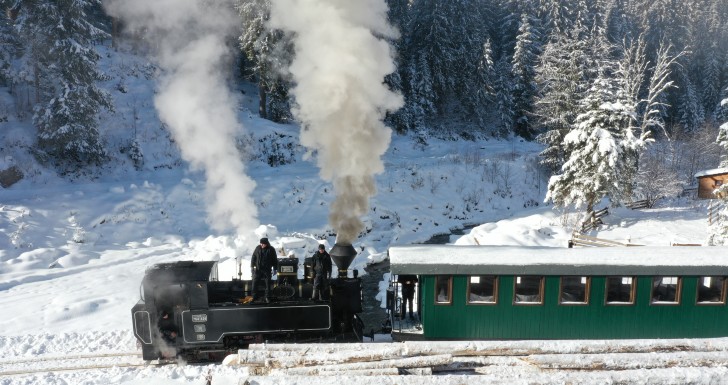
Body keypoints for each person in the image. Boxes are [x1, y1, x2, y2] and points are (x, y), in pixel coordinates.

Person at [251, 237, 278, 303]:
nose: (261, 245)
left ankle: (267, 297)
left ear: (266, 244)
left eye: (263, 244)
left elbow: (275, 260)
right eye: (261, 243)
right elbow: (253, 257)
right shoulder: (258, 248)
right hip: (258, 269)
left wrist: (275, 269)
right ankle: (254, 297)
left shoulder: (271, 249)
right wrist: (252, 266)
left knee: (268, 284)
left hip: (267, 269)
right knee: (255, 282)